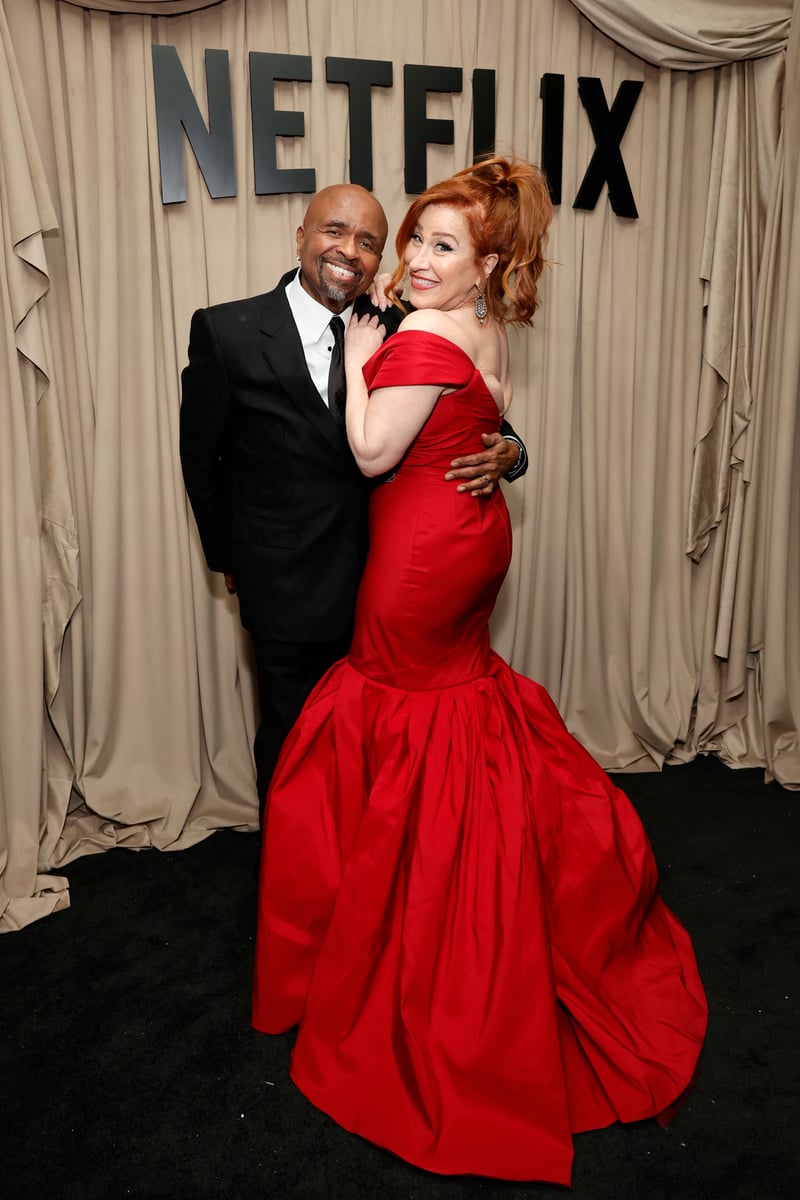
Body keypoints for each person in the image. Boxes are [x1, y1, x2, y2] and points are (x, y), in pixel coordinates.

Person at [250, 157, 707, 1185]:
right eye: (413, 238)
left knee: (402, 719)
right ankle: (433, 875)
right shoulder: (492, 327)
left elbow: (371, 454)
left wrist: (366, 352)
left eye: (439, 247)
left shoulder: (413, 329)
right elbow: (487, 419)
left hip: (415, 563)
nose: (411, 258)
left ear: (487, 261)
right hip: (470, 542)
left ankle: (410, 921)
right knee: (453, 709)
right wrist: (505, 452)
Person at [179, 184, 528, 807]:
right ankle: (291, 889)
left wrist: (513, 450)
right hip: (287, 582)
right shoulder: (226, 331)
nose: (350, 251)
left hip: (395, 582)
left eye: (369, 242)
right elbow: (202, 459)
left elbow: (465, 413)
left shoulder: (410, 320)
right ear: (301, 236)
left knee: (383, 747)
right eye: (334, 232)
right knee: (295, 745)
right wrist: (228, 556)